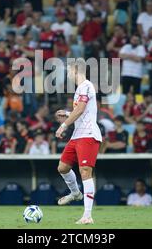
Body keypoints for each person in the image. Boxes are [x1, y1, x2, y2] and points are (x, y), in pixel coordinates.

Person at [55, 59, 103, 225]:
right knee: (62, 167)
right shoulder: (80, 89)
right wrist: (69, 113)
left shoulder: (87, 86)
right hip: (77, 135)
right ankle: (75, 193)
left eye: (69, 70)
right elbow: (82, 111)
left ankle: (87, 215)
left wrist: (63, 125)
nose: (68, 73)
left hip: (88, 135)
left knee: (85, 171)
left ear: (76, 69)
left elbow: (81, 109)